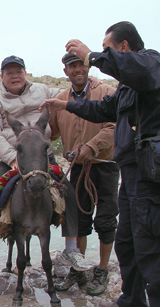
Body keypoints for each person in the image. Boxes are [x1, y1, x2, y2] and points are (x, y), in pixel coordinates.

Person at [40, 21, 160, 307]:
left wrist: (91, 56)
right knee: (129, 245)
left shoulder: (152, 64)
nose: (100, 57)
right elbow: (104, 109)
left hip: (155, 178)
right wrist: (65, 105)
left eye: (107, 49)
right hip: (134, 175)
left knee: (157, 250)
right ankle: (132, 301)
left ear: (124, 48)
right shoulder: (130, 86)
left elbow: (134, 70)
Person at [0, 55, 95, 272]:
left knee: (70, 193)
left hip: (43, 158)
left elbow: (70, 97)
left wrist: (96, 84)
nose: (14, 76)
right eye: (9, 72)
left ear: (25, 73)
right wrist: (12, 159)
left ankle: (71, 249)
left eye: (18, 71)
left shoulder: (43, 90)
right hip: (14, 158)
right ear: (2, 77)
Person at [50, 53, 119, 296]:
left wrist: (90, 147)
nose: (78, 69)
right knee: (78, 221)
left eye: (81, 64)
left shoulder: (108, 91)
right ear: (66, 71)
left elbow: (114, 125)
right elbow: (52, 132)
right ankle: (78, 270)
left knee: (106, 220)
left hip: (105, 163)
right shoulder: (59, 99)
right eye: (72, 66)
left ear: (88, 66)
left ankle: (101, 270)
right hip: (77, 168)